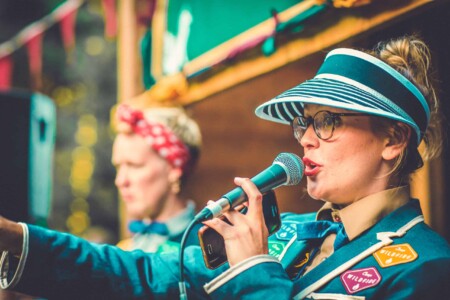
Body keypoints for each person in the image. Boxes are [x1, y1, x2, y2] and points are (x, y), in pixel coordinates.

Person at [0, 35, 449, 299]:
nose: (308, 137)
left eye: (329, 121)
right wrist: (14, 239)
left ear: (393, 139)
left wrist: (255, 267)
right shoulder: (287, 232)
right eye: (305, 123)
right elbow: (140, 276)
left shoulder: (427, 268)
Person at [112, 103, 202, 253]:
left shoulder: (203, 247)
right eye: (118, 167)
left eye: (135, 166)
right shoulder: (127, 246)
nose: (120, 181)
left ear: (173, 169)